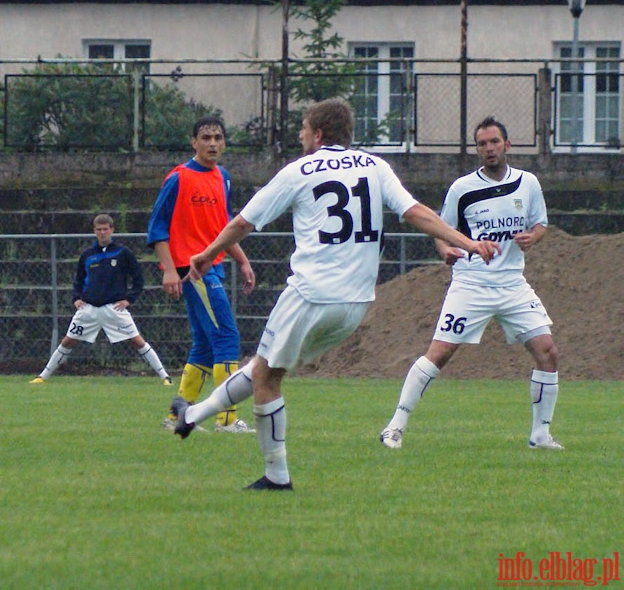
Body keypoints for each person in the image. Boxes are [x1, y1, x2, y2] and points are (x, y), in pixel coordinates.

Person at [168, 98, 500, 490]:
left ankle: (276, 476)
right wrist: (467, 241)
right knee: (264, 366)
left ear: (319, 133)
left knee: (267, 380)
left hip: (310, 294)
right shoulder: (375, 166)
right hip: (356, 303)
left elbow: (243, 221)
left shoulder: (300, 171)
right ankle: (191, 417)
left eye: (304, 129)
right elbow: (415, 212)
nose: (300, 135)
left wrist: (208, 254)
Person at [380, 116, 562, 451]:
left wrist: (531, 238)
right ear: (477, 149)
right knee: (440, 353)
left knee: (548, 352)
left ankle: (540, 435)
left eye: (494, 142)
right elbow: (441, 230)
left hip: (512, 284)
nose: (489, 149)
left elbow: (540, 225)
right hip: (472, 283)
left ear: (507, 145)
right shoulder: (463, 189)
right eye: (482, 144)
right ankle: (394, 426)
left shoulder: (528, 183)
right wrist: (447, 250)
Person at [147, 116, 257, 433]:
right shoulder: (179, 178)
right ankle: (226, 418)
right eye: (206, 137)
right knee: (226, 337)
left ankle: (176, 416)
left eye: (218, 138)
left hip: (214, 268)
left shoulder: (222, 177)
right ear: (193, 142)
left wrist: (242, 259)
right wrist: (169, 269)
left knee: (205, 347)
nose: (212, 143)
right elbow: (156, 227)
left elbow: (222, 226)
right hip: (194, 271)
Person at [30, 214, 172, 384]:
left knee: (137, 341)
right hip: (89, 309)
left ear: (112, 230)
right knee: (68, 341)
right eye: (99, 230)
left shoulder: (123, 253)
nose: (103, 233)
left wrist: (129, 299)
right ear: (94, 231)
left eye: (106, 229)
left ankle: (165, 376)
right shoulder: (87, 255)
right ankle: (42, 377)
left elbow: (138, 279)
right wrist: (76, 298)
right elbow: (79, 280)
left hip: (114, 309)